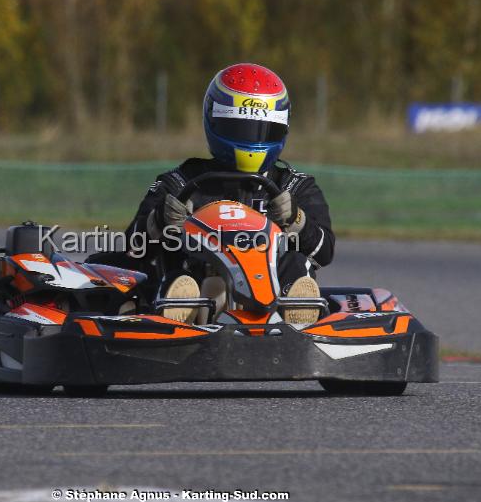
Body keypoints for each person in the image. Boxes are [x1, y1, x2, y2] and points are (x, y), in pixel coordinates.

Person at [124, 63, 335, 324]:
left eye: (262, 129)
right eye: (239, 128)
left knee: (293, 256)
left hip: (273, 308)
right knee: (178, 256)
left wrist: (297, 221)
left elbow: (324, 251)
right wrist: (160, 220)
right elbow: (132, 248)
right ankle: (184, 305)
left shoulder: (294, 187)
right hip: (198, 304)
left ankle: (297, 307)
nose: (251, 139)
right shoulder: (180, 182)